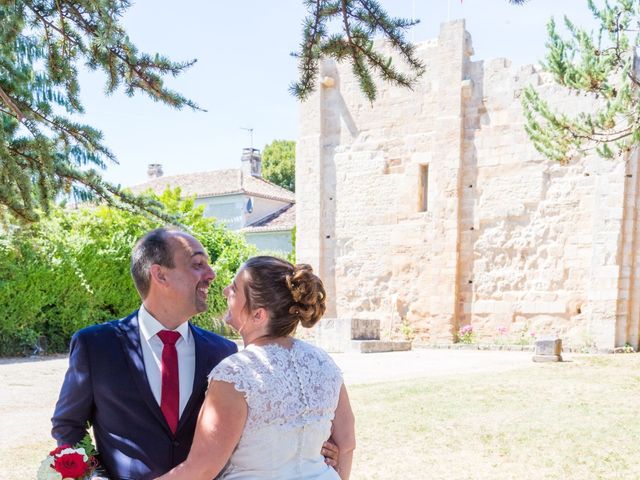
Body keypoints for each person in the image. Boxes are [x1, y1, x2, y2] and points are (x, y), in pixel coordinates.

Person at [51, 227, 239, 479]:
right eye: (197, 264)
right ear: (160, 275)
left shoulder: (222, 351)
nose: (211, 274)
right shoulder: (95, 345)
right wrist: (95, 477)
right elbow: (68, 426)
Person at [156, 256, 356, 480]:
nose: (225, 292)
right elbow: (346, 445)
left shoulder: (236, 374)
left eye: (234, 289)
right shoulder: (323, 362)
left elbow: (200, 470)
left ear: (258, 314)